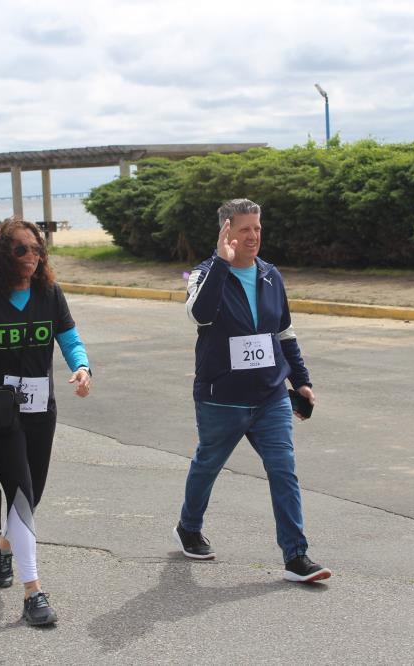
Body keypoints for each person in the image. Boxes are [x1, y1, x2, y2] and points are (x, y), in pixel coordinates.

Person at [174, 198, 331, 583]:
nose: (253, 236)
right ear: (226, 230)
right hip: (222, 398)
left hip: (270, 396)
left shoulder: (270, 275)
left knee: (284, 469)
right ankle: (189, 527)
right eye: (245, 229)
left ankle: (296, 556)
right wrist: (221, 263)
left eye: (257, 228)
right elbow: (199, 315)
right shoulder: (204, 274)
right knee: (208, 464)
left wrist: (301, 381)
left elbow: (284, 333)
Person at [0, 217, 92, 626]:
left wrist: (82, 367)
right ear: (3, 254)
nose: (31, 256)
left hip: (40, 411)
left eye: (37, 249)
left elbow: (69, 339)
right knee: (21, 493)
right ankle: (34, 593)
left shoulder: (49, 294)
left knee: (33, 494)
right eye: (21, 249)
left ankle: (3, 545)